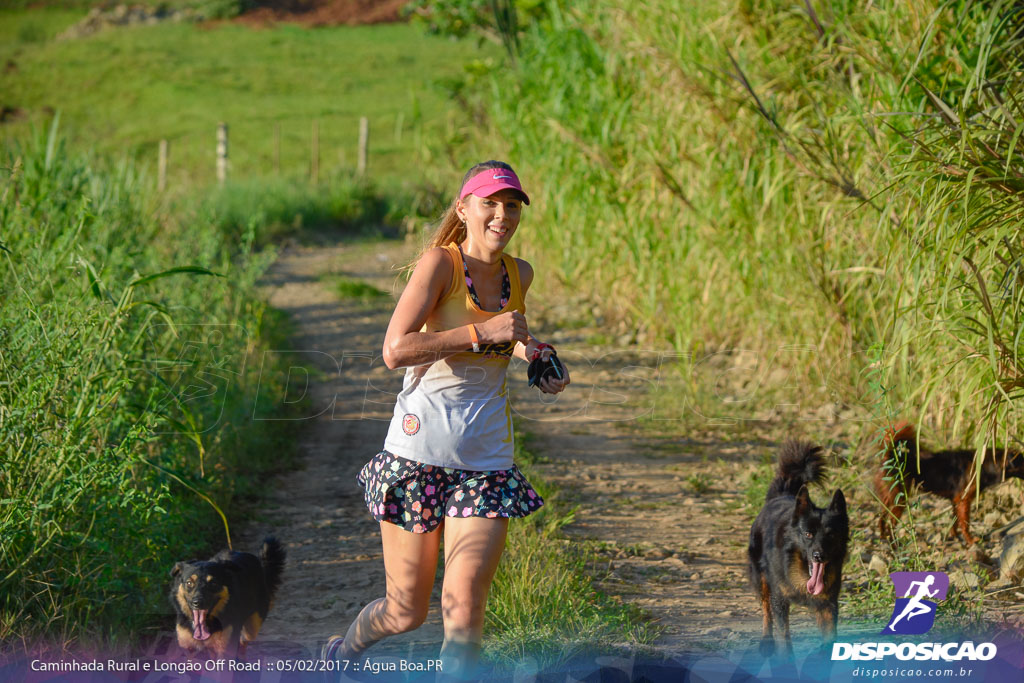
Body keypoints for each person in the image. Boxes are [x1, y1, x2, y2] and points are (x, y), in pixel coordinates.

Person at [322, 160, 570, 677]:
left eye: (511, 206)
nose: (502, 216)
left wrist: (538, 355)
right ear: (465, 208)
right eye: (490, 204)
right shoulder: (441, 265)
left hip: (486, 464)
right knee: (405, 611)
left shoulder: (519, 274)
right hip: (417, 458)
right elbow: (396, 350)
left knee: (464, 609)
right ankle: (343, 653)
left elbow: (516, 332)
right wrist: (482, 334)